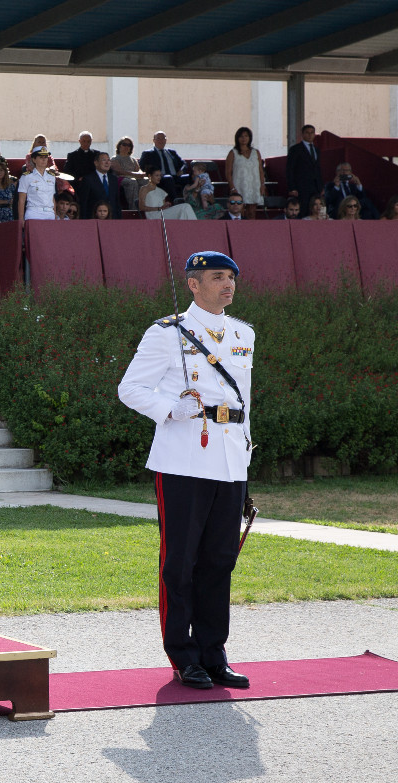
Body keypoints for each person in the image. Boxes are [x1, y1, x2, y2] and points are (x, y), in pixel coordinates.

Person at [117, 250, 254, 691]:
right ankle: (183, 656)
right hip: (183, 459)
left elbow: (243, 405)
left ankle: (214, 654)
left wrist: (246, 462)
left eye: (230, 277)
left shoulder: (243, 333)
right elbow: (130, 388)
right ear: (193, 284)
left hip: (229, 460)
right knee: (180, 562)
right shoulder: (168, 332)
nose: (227, 284)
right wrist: (170, 410)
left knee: (219, 560)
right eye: (217, 277)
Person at [225, 127, 265, 219]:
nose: (244, 138)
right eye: (241, 136)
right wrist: (232, 188)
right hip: (239, 185)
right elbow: (228, 172)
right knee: (240, 211)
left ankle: (251, 232)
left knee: (252, 212)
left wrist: (262, 184)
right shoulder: (233, 153)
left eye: (246, 136)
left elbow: (260, 170)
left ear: (250, 138)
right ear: (237, 138)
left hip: (254, 185)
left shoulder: (256, 152)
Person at [139, 131, 186, 200]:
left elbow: (183, 164)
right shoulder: (148, 153)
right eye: (158, 139)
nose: (161, 141)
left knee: (188, 177)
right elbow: (142, 167)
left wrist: (181, 170)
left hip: (175, 176)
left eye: (163, 138)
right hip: (160, 178)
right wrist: (154, 174)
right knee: (168, 178)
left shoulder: (171, 152)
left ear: (166, 140)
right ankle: (175, 201)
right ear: (154, 140)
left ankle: (193, 202)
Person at [77, 151, 122, 219]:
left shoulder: (113, 179)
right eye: (104, 160)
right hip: (93, 219)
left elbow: (116, 202)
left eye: (108, 160)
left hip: (112, 219)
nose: (107, 162)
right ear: (96, 163)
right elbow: (83, 203)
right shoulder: (88, 179)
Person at [17, 146, 57, 221]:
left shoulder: (51, 177)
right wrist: (21, 219)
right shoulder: (26, 177)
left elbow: (52, 198)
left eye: (46, 157)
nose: (44, 159)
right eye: (41, 157)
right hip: (34, 213)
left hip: (49, 213)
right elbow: (21, 200)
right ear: (34, 159)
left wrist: (55, 216)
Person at [285, 124, 322, 204]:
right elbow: (290, 169)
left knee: (315, 208)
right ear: (302, 134)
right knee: (303, 208)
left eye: (312, 132)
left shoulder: (317, 150)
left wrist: (321, 187)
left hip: (315, 187)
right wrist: (292, 187)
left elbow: (318, 168)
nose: (310, 135)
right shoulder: (295, 149)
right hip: (301, 187)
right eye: (307, 132)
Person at [111, 136, 148, 209]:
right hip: (121, 178)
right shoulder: (114, 158)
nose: (126, 147)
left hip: (133, 176)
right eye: (124, 144)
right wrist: (134, 174)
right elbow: (119, 171)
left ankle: (145, 205)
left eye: (129, 145)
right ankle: (134, 208)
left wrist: (142, 174)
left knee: (146, 181)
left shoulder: (133, 160)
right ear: (119, 146)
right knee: (132, 182)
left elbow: (138, 170)